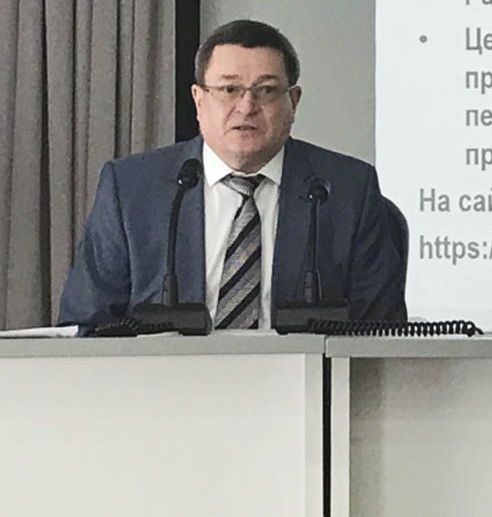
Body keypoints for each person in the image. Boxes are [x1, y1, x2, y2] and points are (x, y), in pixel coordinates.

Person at [59, 19, 406, 328]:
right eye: (229, 90)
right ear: (199, 100)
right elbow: (88, 324)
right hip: (166, 379)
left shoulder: (347, 190)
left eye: (266, 90)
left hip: (307, 378)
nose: (246, 107)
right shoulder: (131, 189)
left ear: (294, 101)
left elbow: (380, 332)